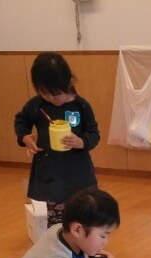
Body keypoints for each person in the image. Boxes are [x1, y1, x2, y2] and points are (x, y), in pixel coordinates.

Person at [14, 52, 100, 228]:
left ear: (68, 83)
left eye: (55, 94)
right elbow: (21, 121)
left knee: (85, 215)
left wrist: (81, 142)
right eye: (45, 94)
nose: (51, 99)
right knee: (57, 220)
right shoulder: (37, 105)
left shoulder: (81, 106)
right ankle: (59, 252)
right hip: (51, 172)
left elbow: (94, 134)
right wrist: (25, 137)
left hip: (79, 172)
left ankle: (87, 251)